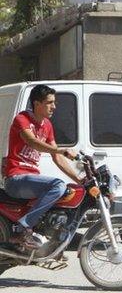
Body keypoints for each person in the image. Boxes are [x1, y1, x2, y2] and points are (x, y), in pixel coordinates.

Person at [3, 85, 82, 249]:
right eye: (49, 102)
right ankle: (24, 228)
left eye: (54, 102)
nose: (54, 106)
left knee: (65, 191)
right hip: (16, 178)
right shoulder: (22, 119)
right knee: (57, 185)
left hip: (30, 179)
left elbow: (58, 158)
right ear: (37, 103)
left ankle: (51, 239)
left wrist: (80, 180)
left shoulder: (47, 125)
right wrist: (61, 149)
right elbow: (32, 142)